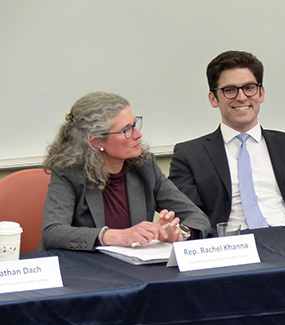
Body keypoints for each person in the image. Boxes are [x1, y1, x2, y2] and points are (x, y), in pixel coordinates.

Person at [168, 50, 285, 232]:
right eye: (230, 90)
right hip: (230, 245)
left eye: (249, 88)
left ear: (261, 93)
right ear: (213, 98)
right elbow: (189, 218)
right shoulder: (190, 155)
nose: (241, 97)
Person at [41, 91, 211, 251]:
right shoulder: (68, 172)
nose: (138, 134)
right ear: (97, 142)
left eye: (134, 124)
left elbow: (197, 217)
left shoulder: (144, 166)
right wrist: (114, 236)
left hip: (133, 269)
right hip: (83, 271)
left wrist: (178, 233)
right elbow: (53, 232)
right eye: (126, 130)